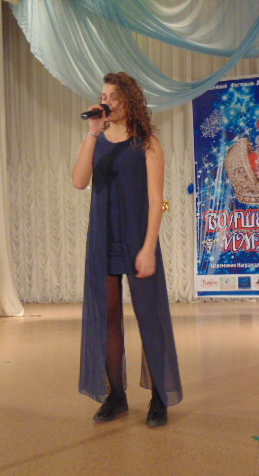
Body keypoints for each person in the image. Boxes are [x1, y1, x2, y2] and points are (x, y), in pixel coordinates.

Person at [72, 72, 183, 428]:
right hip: (103, 236)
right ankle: (116, 396)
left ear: (128, 100)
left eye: (112, 97)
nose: (105, 102)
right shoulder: (98, 140)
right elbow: (79, 181)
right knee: (108, 316)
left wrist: (149, 247)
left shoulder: (147, 144)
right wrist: (92, 132)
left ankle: (159, 397)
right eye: (103, 96)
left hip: (137, 236)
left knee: (148, 315)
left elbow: (157, 200)